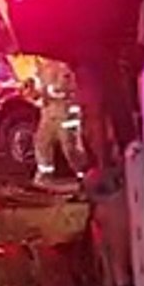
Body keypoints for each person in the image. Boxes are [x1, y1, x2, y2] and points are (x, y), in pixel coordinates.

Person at [32, 55, 87, 189]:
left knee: (70, 149)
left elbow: (74, 87)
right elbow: (40, 89)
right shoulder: (42, 65)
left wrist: (54, 91)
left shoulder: (66, 63)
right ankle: (44, 177)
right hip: (49, 113)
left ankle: (84, 177)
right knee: (42, 143)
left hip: (65, 115)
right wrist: (36, 94)